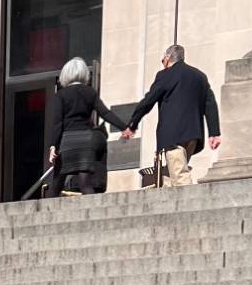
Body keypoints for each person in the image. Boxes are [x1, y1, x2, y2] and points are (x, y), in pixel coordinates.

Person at [122, 44, 220, 188]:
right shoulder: (199, 76)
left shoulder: (165, 75)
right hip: (193, 136)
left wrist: (132, 124)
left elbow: (148, 100)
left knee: (180, 176)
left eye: (163, 60)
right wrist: (214, 132)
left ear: (167, 58)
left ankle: (189, 204)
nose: (163, 64)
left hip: (173, 135)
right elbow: (210, 104)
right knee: (169, 175)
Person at [50, 57, 126, 196]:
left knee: (56, 184)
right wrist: (124, 127)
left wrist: (53, 146)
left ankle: (44, 215)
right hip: (86, 140)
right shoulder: (90, 92)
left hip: (67, 141)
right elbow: (105, 113)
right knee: (85, 183)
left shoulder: (61, 95)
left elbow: (57, 123)